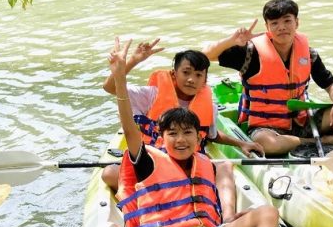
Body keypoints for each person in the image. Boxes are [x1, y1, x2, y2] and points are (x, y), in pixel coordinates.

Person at [104, 39, 287, 227]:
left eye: (187, 133)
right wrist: (121, 77)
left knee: (267, 212)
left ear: (198, 136)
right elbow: (128, 123)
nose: (180, 139)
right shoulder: (147, 160)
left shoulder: (204, 162)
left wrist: (229, 219)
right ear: (161, 138)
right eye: (172, 133)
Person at [99, 39, 262, 189]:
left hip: (189, 163)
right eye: (186, 72)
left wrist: (241, 143)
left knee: (223, 168)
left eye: (198, 75)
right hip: (152, 162)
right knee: (110, 174)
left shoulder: (209, 106)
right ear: (174, 74)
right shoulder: (151, 95)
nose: (192, 79)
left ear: (205, 80)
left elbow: (211, 135)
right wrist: (133, 61)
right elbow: (111, 88)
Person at [205, 0, 333, 157]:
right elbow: (205, 55)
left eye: (287, 21)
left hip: (302, 120)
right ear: (267, 27)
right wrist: (231, 41)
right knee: (266, 143)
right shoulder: (250, 53)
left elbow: (329, 84)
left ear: (297, 23)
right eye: (274, 23)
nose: (281, 27)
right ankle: (323, 141)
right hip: (266, 127)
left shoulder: (308, 54)